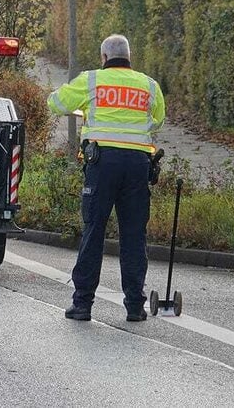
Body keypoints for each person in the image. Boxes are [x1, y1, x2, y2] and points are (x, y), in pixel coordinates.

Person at [48, 34, 166, 322]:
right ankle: (135, 307)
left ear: (103, 58)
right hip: (138, 165)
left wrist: (86, 109)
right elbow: (157, 120)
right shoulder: (149, 85)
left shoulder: (92, 80)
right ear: (129, 57)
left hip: (102, 164)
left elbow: (57, 103)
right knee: (134, 235)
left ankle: (83, 304)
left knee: (94, 231)